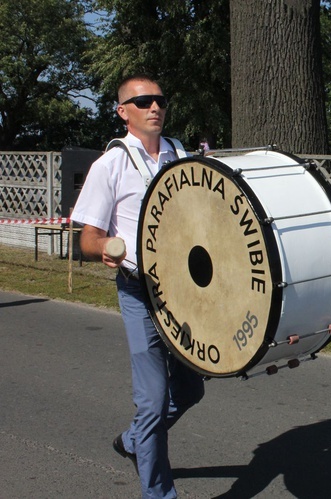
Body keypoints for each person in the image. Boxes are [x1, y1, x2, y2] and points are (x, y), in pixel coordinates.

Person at [71, 75, 204, 498]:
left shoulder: (180, 154)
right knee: (151, 400)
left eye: (160, 100)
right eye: (143, 101)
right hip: (138, 291)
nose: (155, 107)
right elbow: (86, 238)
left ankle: (133, 441)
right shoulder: (109, 164)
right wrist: (103, 250)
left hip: (183, 294)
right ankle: (158, 493)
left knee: (189, 389)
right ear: (122, 111)